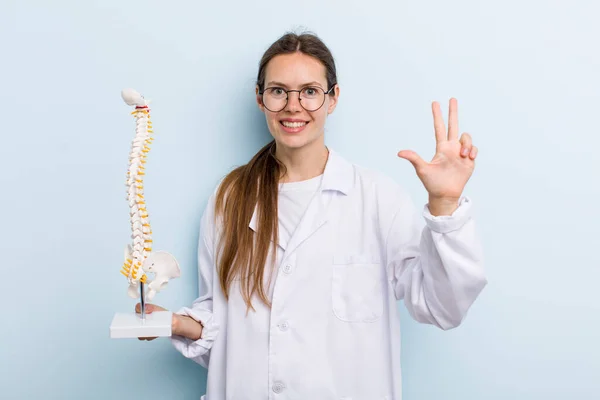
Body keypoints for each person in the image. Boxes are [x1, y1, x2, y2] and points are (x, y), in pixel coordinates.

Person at [136, 31, 487, 400]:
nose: (293, 105)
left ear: (332, 98)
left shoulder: (378, 199)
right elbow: (223, 323)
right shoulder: (230, 198)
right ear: (260, 99)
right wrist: (178, 324)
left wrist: (445, 204)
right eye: (278, 91)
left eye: (309, 91)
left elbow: (442, 307)